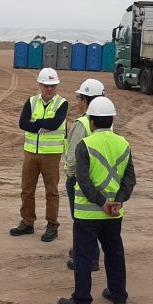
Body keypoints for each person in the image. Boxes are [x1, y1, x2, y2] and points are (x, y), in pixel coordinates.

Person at [57, 97, 136, 304]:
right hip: (114, 213)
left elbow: (83, 181)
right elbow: (129, 179)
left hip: (88, 214)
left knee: (83, 256)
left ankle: (82, 301)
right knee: (114, 253)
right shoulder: (124, 144)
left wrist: (102, 203)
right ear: (111, 120)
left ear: (91, 121)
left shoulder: (86, 145)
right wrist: (117, 201)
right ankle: (118, 294)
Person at [11, 68, 68, 242]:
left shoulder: (62, 103)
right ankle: (27, 222)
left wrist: (35, 123)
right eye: (46, 85)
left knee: (52, 192)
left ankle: (52, 225)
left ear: (56, 85)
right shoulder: (31, 101)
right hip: (30, 153)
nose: (49, 89)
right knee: (27, 190)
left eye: (52, 85)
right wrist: (43, 126)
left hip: (51, 154)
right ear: (40, 85)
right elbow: (22, 123)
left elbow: (55, 123)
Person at [64, 79, 105, 272]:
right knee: (92, 218)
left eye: (79, 98)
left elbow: (73, 155)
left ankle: (89, 259)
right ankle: (83, 250)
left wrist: (70, 176)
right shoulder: (106, 121)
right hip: (98, 177)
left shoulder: (82, 123)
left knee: (82, 220)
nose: (77, 102)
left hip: (79, 179)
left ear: (86, 100)